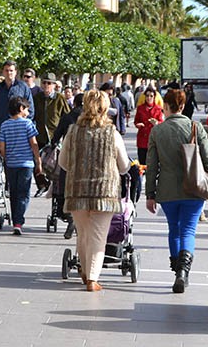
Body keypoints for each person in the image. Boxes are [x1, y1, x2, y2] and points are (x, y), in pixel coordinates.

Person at [59, 90, 130, 292]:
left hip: (77, 191)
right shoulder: (112, 134)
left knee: (82, 234)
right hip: (104, 193)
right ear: (105, 108)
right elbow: (124, 166)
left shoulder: (72, 131)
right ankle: (92, 279)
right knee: (98, 236)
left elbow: (62, 163)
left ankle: (84, 271)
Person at [145, 89, 208, 293]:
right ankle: (183, 273)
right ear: (183, 106)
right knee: (188, 230)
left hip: (167, 191)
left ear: (165, 107)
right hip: (193, 188)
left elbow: (152, 165)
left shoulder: (157, 131)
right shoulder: (195, 127)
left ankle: (177, 271)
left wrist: (150, 194)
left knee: (174, 229)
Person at [0, 96, 42, 235]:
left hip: (11, 164)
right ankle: (18, 221)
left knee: (14, 192)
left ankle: (15, 220)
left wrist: (7, 157)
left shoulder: (4, 125)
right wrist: (38, 161)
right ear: (21, 109)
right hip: (26, 163)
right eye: (27, 109)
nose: (28, 112)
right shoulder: (28, 124)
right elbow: (34, 144)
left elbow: (2, 148)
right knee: (24, 193)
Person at [51, 93, 84, 239]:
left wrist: (53, 144)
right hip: (84, 160)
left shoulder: (67, 117)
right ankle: (79, 220)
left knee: (66, 190)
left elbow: (56, 137)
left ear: (74, 104)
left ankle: (71, 219)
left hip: (68, 158)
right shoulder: (90, 119)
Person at [0, 60, 35, 127]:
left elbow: (30, 108)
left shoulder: (23, 87)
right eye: (6, 70)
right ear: (3, 72)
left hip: (20, 127)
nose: (9, 73)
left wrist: (24, 124)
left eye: (11, 70)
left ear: (15, 72)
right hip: (2, 127)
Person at [33, 72, 71, 148]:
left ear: (54, 85)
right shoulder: (37, 98)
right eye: (44, 83)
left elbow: (67, 116)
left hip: (55, 137)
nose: (46, 85)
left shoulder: (60, 98)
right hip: (40, 138)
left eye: (49, 83)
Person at [133, 86, 163, 165]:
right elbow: (136, 121)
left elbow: (161, 122)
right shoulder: (140, 108)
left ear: (154, 97)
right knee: (142, 163)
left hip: (153, 139)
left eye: (151, 96)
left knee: (153, 163)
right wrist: (138, 124)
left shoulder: (158, 109)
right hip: (142, 139)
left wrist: (156, 123)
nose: (149, 98)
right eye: (147, 95)